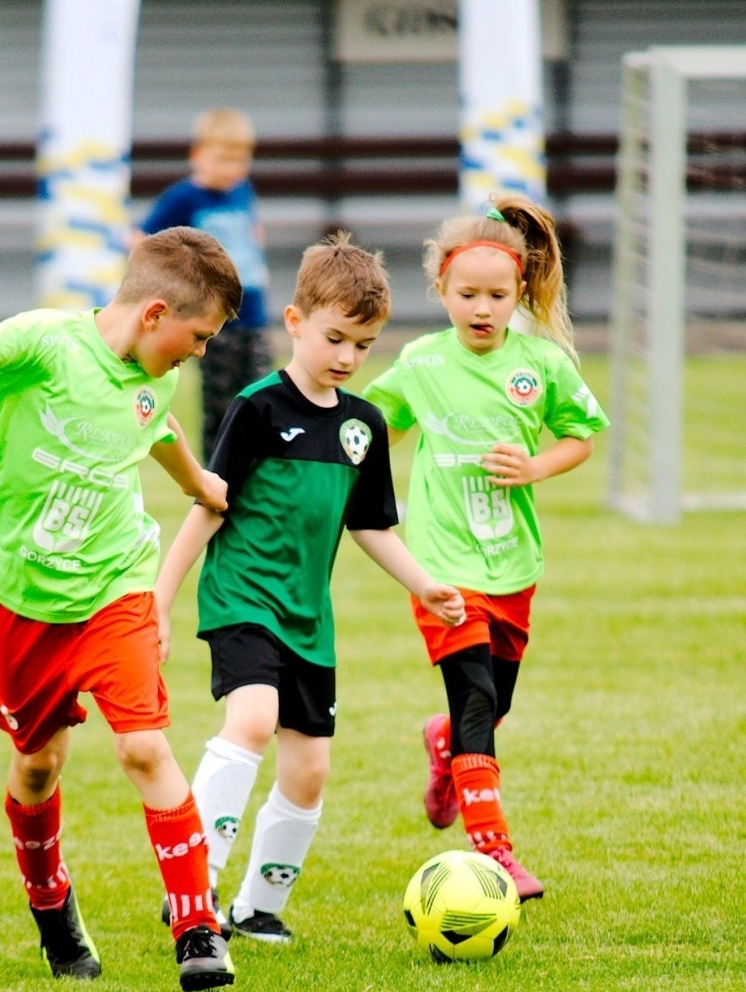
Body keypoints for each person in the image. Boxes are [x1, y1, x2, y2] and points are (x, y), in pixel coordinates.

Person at [0, 227, 246, 992]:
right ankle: (52, 907)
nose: (199, 354)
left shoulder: (154, 374)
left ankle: (198, 928)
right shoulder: (42, 343)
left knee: (144, 748)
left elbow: (152, 423)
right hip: (26, 598)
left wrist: (197, 483)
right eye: (198, 337)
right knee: (37, 767)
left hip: (115, 586)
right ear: (155, 314)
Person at [154, 234, 466, 944]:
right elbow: (209, 504)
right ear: (294, 322)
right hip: (243, 597)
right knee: (252, 720)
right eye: (335, 338)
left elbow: (371, 524)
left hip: (308, 618)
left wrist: (424, 585)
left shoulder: (364, 426)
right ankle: (193, 885)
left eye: (364, 345)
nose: (349, 357)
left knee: (310, 769)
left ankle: (257, 907)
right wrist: (162, 598)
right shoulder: (258, 408)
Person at [362, 196, 609, 902]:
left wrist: (536, 466)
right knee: (475, 699)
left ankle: (443, 744)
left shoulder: (542, 365)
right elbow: (374, 431)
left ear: (520, 292)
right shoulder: (421, 363)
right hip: (442, 568)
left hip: (513, 565)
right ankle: (495, 852)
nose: (482, 308)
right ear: (441, 288)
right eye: (467, 294)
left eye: (497, 296)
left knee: (492, 704)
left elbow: (580, 438)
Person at [138, 107, 273, 455]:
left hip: (252, 312)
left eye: (240, 160)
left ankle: (255, 462)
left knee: (261, 392)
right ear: (198, 154)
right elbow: (142, 240)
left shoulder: (243, 191)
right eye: (222, 159)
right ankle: (217, 466)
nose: (231, 169)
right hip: (214, 320)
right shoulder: (184, 198)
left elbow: (251, 232)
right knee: (221, 399)